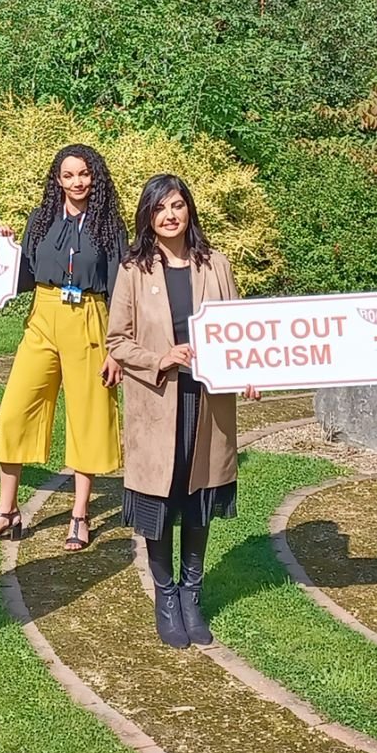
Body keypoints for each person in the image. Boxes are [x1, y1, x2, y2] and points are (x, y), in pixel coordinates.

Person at [106, 174, 255, 649]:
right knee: (160, 499)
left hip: (207, 400)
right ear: (148, 218)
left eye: (177, 206)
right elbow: (117, 341)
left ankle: (192, 593)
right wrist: (160, 358)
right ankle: (165, 596)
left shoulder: (216, 264)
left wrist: (249, 370)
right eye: (160, 209)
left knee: (199, 498)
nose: (170, 216)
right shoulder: (134, 270)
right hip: (158, 399)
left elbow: (239, 329)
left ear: (189, 210)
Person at [0, 145, 126, 550]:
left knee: (88, 415)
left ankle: (79, 515)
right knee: (13, 412)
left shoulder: (109, 225)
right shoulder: (41, 218)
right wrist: (1, 248)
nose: (77, 182)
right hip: (43, 315)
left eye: (84, 174)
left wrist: (116, 348)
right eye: (68, 175)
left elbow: (119, 288)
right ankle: (6, 510)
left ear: (94, 177)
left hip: (90, 317)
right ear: (57, 180)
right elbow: (24, 276)